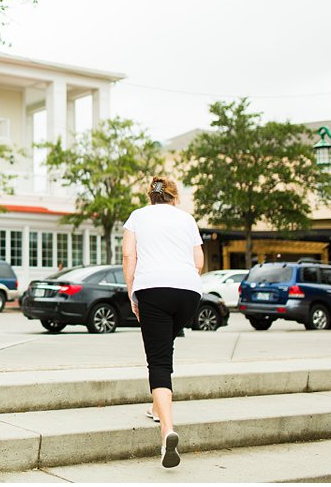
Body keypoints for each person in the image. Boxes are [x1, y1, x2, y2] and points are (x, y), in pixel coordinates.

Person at [122, 176, 203, 468]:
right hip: (189, 292)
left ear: (150, 197)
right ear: (174, 197)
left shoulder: (137, 217)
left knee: (158, 361)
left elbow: (129, 255)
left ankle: (166, 430)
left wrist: (133, 293)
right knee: (165, 348)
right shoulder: (187, 220)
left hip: (153, 288)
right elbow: (199, 261)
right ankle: (157, 408)